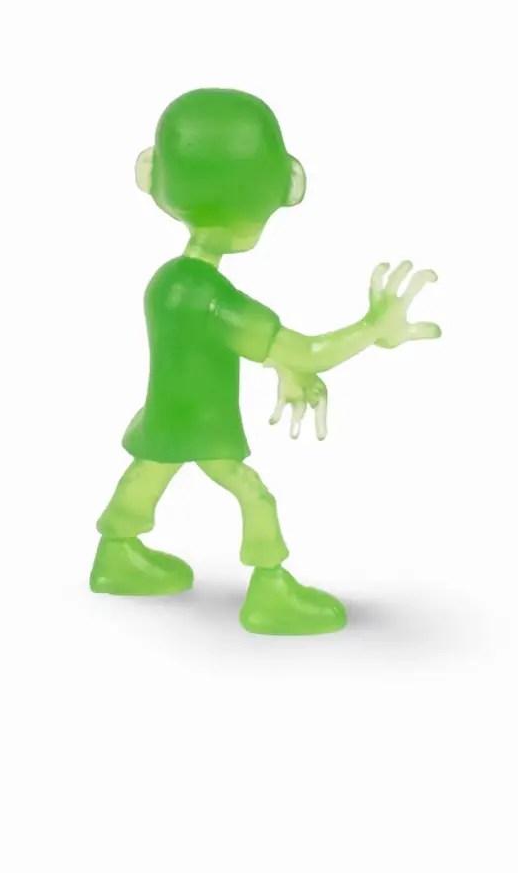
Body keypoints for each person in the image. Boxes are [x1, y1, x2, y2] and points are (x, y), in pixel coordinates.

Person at [90, 89, 441, 634]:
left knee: (149, 472)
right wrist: (373, 329)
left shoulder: (171, 282)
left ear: (152, 175)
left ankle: (117, 552)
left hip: (166, 418)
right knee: (253, 494)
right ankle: (269, 589)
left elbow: (237, 349)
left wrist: (284, 368)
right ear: (285, 186)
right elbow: (305, 349)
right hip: (201, 427)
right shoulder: (214, 299)